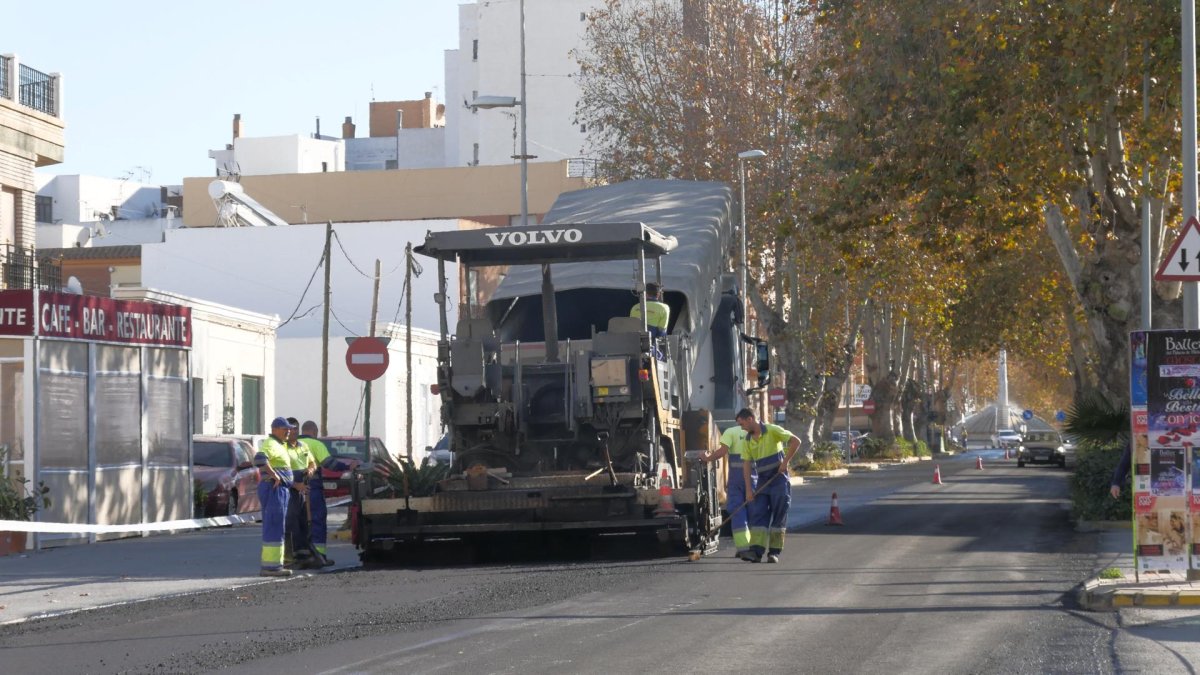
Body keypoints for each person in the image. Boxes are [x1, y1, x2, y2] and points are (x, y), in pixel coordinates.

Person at [737, 407, 801, 563]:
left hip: (779, 479)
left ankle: (774, 553)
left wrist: (785, 462)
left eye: (742, 423)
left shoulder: (773, 430)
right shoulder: (747, 440)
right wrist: (748, 490)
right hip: (762, 482)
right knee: (758, 515)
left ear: (750, 419)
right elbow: (746, 465)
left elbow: (796, 441)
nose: (741, 427)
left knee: (779, 516)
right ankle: (756, 552)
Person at [298, 420, 351, 566]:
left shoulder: (292, 443)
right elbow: (330, 464)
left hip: (294, 489)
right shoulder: (316, 444)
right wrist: (348, 466)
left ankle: (300, 556)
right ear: (315, 432)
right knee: (317, 522)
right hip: (312, 489)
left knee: (298, 523)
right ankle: (319, 555)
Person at [700, 425, 754, 560]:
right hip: (755, 480)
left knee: (737, 513)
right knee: (754, 513)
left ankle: (743, 548)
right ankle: (754, 547)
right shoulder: (759, 432)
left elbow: (722, 451)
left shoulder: (731, 432)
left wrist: (707, 458)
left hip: (736, 481)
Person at [253, 417, 294, 577]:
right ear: (275, 429)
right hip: (273, 489)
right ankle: (271, 567)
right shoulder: (270, 444)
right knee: (274, 525)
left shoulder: (280, 445)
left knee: (278, 526)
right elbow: (259, 459)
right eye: (285, 428)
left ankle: (275, 565)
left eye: (289, 429)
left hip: (280, 490)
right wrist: (275, 475)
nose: (288, 431)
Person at [283, 416, 323, 569]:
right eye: (290, 429)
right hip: (287, 490)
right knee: (290, 523)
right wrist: (295, 484)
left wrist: (311, 469)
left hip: (301, 490)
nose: (292, 432)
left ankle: (303, 556)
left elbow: (312, 462)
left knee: (303, 523)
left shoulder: (302, 446)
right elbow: (279, 473)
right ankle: (288, 558)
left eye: (295, 429)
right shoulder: (281, 448)